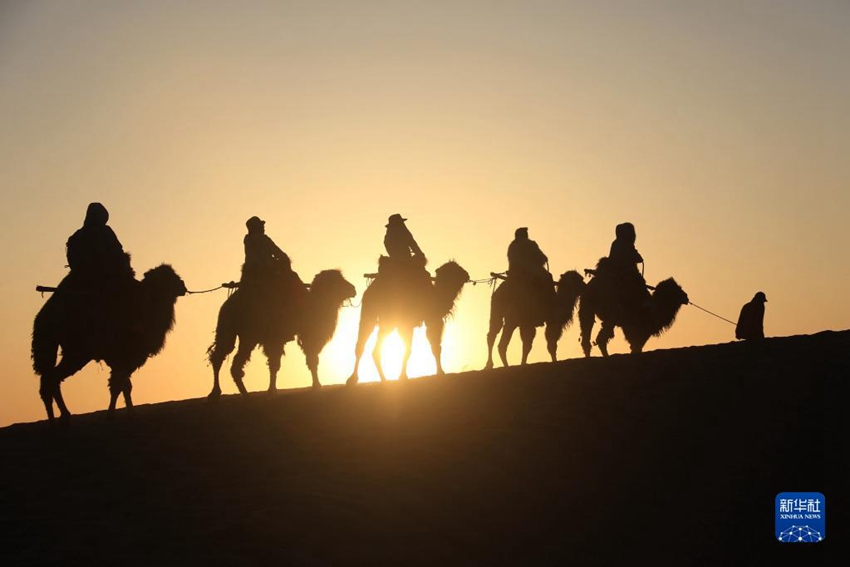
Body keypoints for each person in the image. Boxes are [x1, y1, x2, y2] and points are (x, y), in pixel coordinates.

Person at [65, 202, 132, 285]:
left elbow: (71, 257)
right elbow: (118, 252)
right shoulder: (105, 231)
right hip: (106, 277)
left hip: (80, 278)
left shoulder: (76, 236)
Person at [506, 227, 554, 323]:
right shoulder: (530, 244)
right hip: (529, 274)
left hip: (514, 274)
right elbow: (542, 258)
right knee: (548, 277)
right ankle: (551, 306)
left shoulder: (512, 246)